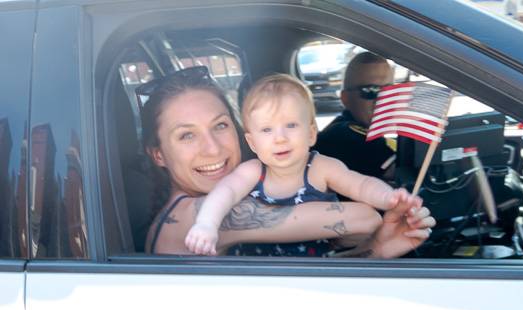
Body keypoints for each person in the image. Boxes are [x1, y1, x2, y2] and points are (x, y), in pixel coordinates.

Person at [140, 66, 434, 258]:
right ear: (158, 154)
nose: (213, 149)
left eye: (220, 126)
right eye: (186, 136)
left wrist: (377, 248)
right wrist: (382, 209)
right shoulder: (197, 216)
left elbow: (309, 268)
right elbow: (364, 218)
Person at [314, 52, 396, 181]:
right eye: (370, 91)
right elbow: (398, 171)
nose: (382, 100)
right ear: (345, 98)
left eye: (389, 91)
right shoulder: (344, 135)